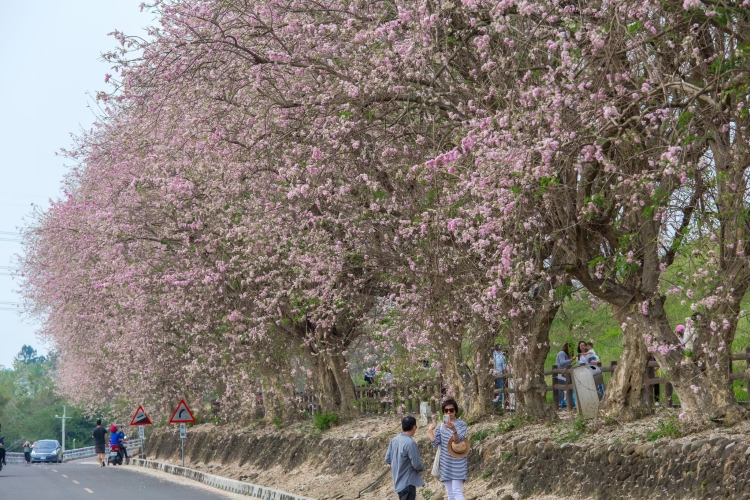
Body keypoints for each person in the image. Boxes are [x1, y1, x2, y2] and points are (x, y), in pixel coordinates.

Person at [428, 399, 468, 500]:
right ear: (443, 412)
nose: (449, 413)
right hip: (445, 462)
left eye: (451, 410)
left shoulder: (462, 424)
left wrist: (453, 429)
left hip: (458, 461)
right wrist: (430, 432)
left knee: (457, 491)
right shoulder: (440, 426)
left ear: (456, 411)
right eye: (446, 410)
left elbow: (458, 441)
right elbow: (435, 443)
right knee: (450, 494)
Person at [384, 416, 424, 500]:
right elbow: (416, 464)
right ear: (414, 427)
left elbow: (387, 459)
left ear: (402, 427)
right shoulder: (410, 443)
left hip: (397, 481)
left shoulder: (394, 440)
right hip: (408, 482)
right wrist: (421, 468)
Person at [556, 343, 574, 408]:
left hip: (564, 374)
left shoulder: (565, 354)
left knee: (563, 388)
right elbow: (562, 362)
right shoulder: (561, 353)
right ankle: (561, 403)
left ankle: (563, 402)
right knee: (563, 387)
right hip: (560, 374)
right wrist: (571, 360)